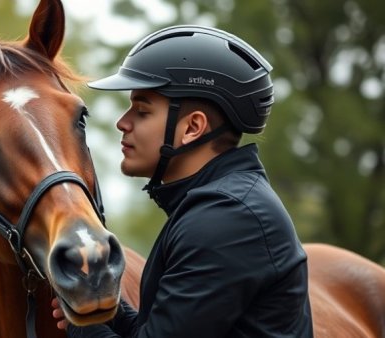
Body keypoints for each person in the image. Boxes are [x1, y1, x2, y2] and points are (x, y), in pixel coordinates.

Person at [51, 25, 314, 337]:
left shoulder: (228, 218)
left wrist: (79, 327)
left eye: (142, 110)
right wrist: (102, 306)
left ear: (192, 128)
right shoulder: (211, 206)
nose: (123, 123)